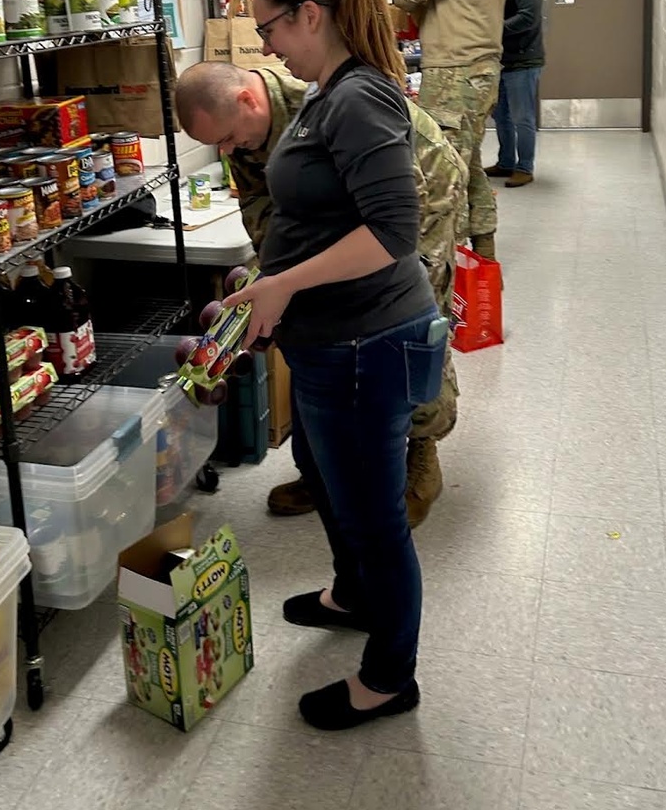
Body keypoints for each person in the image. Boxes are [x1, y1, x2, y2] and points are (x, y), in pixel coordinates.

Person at [217, 0, 447, 732]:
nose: (265, 44)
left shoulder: (359, 99)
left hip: (365, 345)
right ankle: (351, 595)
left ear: (310, 15)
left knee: (374, 517)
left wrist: (280, 284)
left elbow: (392, 230)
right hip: (330, 342)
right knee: (333, 485)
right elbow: (319, 213)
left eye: (269, 27)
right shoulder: (324, 91)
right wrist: (266, 282)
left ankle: (390, 676)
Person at [175, 60, 465, 527]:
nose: (227, 149)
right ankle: (323, 468)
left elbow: (375, 217)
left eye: (227, 136)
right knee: (311, 325)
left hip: (421, 194)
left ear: (249, 100)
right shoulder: (244, 131)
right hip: (352, 214)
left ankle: (421, 453)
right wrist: (275, 280)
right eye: (218, 144)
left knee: (409, 331)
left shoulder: (327, 111)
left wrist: (300, 277)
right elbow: (262, 209)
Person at [393, 0, 506, 259]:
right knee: (469, 165)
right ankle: (485, 260)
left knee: (442, 174)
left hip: (456, 72)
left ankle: (449, 277)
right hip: (478, 70)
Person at [484, 0, 545, 187]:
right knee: (502, 116)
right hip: (503, 59)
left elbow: (527, 18)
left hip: (522, 61)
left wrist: (492, 28)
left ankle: (524, 167)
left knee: (522, 117)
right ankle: (506, 161)